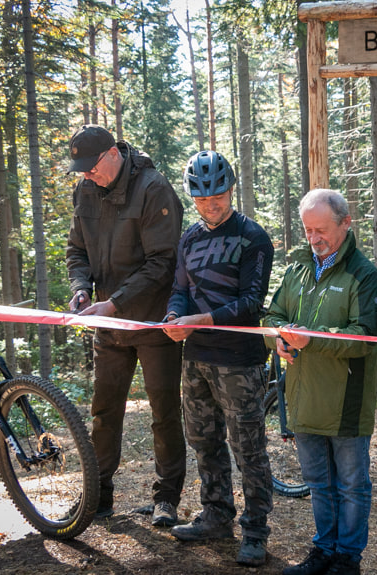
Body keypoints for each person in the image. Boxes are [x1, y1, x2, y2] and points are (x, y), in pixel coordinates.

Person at [65, 124, 186, 527]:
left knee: (164, 411)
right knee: (104, 410)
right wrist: (82, 288)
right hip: (108, 322)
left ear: (113, 154)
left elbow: (162, 262)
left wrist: (115, 303)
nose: (86, 174)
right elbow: (76, 249)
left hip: (153, 322)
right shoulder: (84, 190)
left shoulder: (154, 188)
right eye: (81, 168)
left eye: (91, 166)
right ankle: (99, 496)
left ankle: (166, 498)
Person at [262, 189, 377, 575]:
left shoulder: (365, 277)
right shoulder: (297, 269)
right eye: (308, 230)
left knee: (351, 483)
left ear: (346, 223)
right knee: (318, 481)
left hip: (346, 400)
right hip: (302, 396)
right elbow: (271, 317)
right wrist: (277, 338)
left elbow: (363, 336)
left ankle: (347, 558)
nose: (314, 238)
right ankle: (323, 551)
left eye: (322, 229)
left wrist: (310, 339)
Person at [161, 151, 275, 566]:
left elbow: (251, 303)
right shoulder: (189, 238)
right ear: (193, 197)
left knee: (248, 448)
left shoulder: (253, 237)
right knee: (204, 442)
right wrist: (174, 315)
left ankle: (257, 528)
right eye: (203, 199)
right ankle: (215, 514)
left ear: (231, 190)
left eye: (220, 196)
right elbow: (179, 288)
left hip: (240, 363)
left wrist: (200, 319)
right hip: (196, 359)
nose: (212, 205)